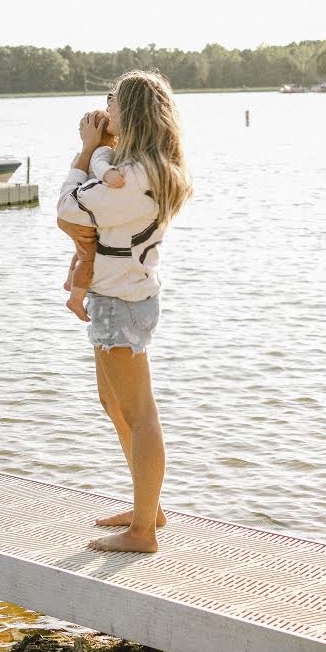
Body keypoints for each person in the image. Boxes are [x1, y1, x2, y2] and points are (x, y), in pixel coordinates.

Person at [57, 70, 193, 553]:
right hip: (119, 297)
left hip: (122, 303)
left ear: (129, 111)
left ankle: (143, 533)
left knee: (139, 413)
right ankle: (146, 509)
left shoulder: (135, 177)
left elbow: (68, 208)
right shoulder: (134, 167)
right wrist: (100, 151)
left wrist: (84, 150)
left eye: (111, 102)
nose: (104, 110)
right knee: (115, 405)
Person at [58, 132, 125, 322]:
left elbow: (75, 173)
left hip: (78, 209)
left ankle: (70, 280)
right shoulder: (104, 152)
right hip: (82, 212)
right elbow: (102, 170)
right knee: (87, 259)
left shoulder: (83, 155)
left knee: (80, 252)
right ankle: (75, 299)